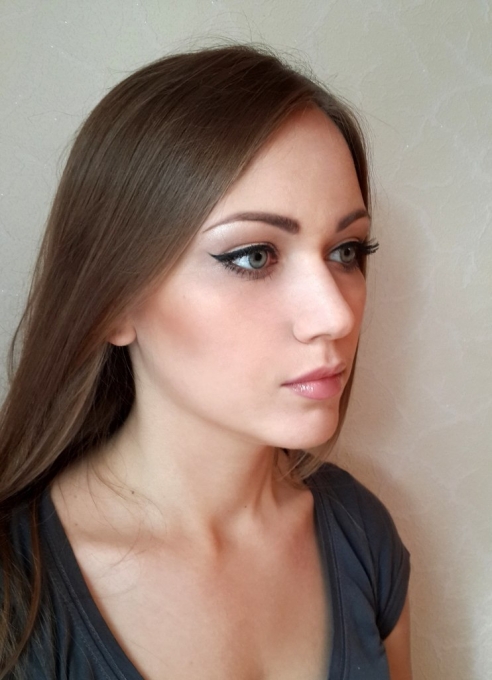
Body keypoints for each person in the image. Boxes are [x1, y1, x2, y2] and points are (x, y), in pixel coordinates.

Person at [0, 45, 411, 679]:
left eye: (347, 251)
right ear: (114, 304)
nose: (336, 316)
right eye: (253, 256)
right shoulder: (18, 594)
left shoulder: (361, 535)